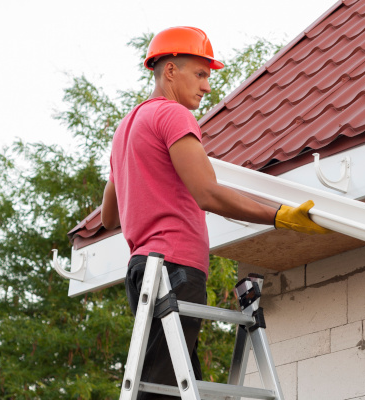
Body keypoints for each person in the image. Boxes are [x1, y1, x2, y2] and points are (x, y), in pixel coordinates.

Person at [99, 26, 329, 399]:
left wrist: (141, 183)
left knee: (178, 386)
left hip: (143, 273)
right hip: (174, 268)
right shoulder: (172, 116)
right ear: (170, 70)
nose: (207, 86)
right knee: (159, 392)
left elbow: (110, 217)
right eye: (201, 73)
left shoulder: (126, 127)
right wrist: (277, 215)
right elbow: (207, 193)